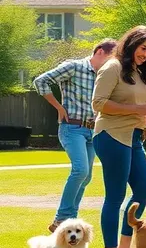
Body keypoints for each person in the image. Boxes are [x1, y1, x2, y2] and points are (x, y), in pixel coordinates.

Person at [91, 26, 146, 248]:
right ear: (131, 43)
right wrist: (138, 109)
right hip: (111, 135)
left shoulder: (142, 72)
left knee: (144, 188)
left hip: (133, 137)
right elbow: (98, 103)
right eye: (143, 48)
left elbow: (138, 104)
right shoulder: (113, 67)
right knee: (115, 196)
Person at [33, 38, 117, 233]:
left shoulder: (104, 75)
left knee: (86, 177)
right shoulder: (74, 66)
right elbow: (40, 81)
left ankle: (68, 220)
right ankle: (62, 219)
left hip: (93, 130)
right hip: (72, 128)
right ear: (99, 52)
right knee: (80, 170)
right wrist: (58, 106)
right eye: (111, 58)